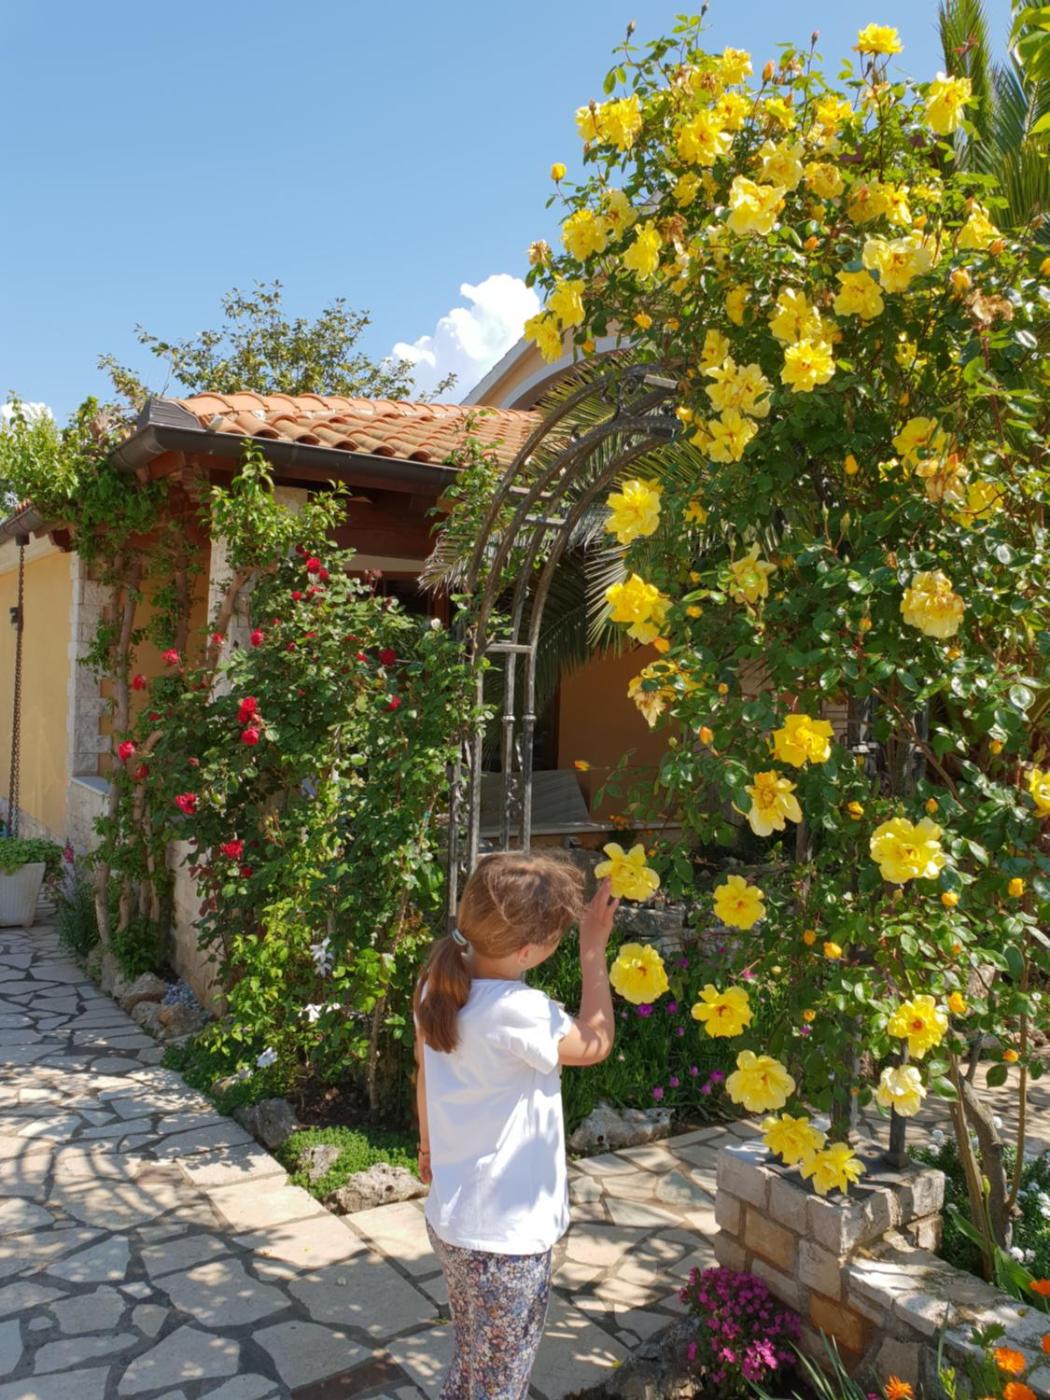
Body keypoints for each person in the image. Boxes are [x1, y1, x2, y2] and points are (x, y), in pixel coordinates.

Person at [413, 851, 619, 1400]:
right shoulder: (519, 1009)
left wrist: (428, 1149)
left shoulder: (438, 985)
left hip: (454, 1222)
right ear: (527, 951)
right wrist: (593, 948)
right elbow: (596, 1042)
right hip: (506, 1248)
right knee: (499, 1386)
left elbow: (424, 1073)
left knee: (472, 1367)